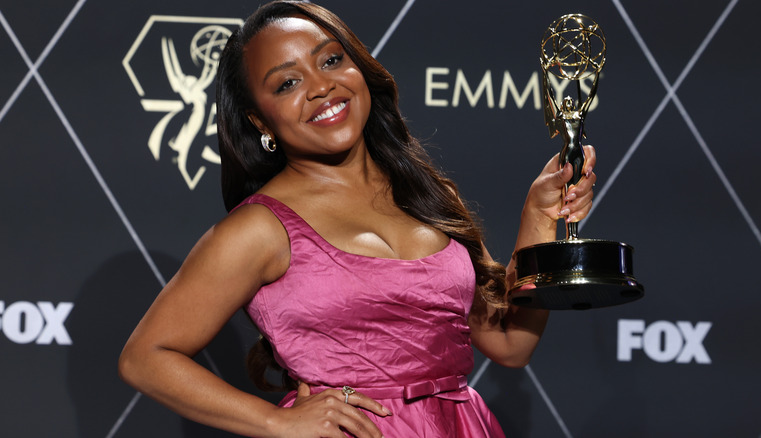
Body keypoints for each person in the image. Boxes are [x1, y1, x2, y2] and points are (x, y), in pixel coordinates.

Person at [118, 1, 596, 437]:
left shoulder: (427, 194)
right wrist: (273, 421)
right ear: (259, 122)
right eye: (287, 83)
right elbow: (145, 357)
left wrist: (540, 217)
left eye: (330, 60)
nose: (322, 86)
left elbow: (511, 344)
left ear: (359, 67)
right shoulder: (259, 229)